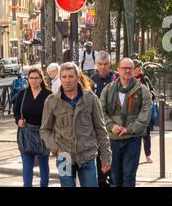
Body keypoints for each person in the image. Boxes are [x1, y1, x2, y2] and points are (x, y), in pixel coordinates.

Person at [40, 62, 112, 187]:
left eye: (71, 76)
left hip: (87, 156)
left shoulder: (91, 99)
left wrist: (106, 156)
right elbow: (45, 130)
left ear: (78, 77)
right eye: (64, 77)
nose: (67, 80)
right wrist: (56, 149)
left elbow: (101, 129)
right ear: (60, 78)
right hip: (64, 158)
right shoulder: (52, 101)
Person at [100, 58, 152, 187]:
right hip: (113, 139)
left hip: (133, 139)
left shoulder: (142, 90)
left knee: (129, 176)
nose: (127, 71)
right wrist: (111, 126)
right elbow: (101, 112)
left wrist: (129, 129)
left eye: (130, 68)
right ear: (118, 70)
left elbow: (145, 115)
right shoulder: (108, 90)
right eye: (124, 68)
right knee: (115, 177)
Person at [13, 68, 52, 187]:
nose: (34, 81)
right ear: (28, 79)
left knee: (43, 164)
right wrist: (18, 120)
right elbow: (16, 111)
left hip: (43, 134)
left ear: (41, 79)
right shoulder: (23, 93)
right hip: (26, 134)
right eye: (31, 78)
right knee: (27, 165)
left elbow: (54, 114)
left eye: (36, 78)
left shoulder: (48, 95)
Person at [90, 51, 119, 187]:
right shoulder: (91, 79)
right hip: (96, 127)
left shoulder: (117, 78)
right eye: (100, 64)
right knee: (99, 161)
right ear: (96, 64)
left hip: (114, 125)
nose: (102, 67)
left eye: (105, 64)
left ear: (110, 64)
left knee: (113, 159)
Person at [133, 59, 155, 164]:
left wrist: (151, 94)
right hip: (133, 112)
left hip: (145, 111)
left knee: (146, 135)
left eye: (140, 67)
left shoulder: (144, 78)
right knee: (135, 136)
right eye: (138, 67)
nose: (140, 69)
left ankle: (148, 155)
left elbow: (152, 90)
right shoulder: (128, 79)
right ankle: (134, 157)